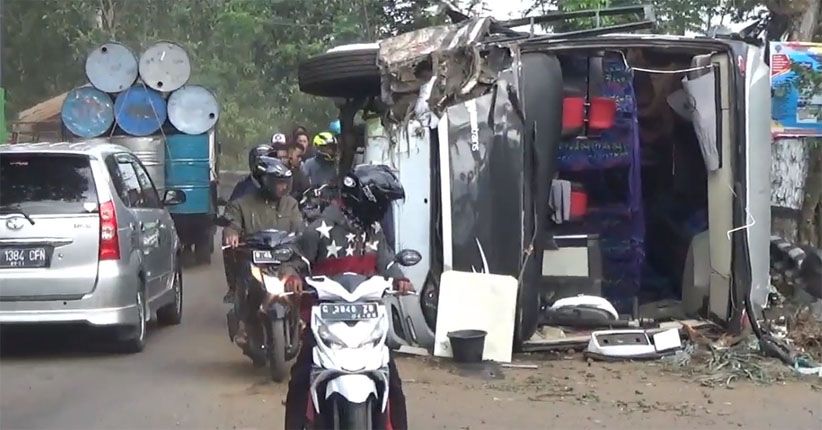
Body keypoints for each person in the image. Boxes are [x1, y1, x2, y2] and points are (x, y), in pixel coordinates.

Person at [282, 164, 412, 430]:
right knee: (300, 380)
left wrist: (399, 279)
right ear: (366, 199)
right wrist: (292, 278)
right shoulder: (320, 228)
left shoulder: (373, 229)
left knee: (393, 384)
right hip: (326, 325)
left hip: (368, 324)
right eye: (382, 202)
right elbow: (295, 261)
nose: (384, 209)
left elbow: (386, 262)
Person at [223, 156, 304, 348]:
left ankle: (303, 319)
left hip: (285, 261)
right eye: (278, 183)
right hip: (255, 262)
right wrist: (232, 234)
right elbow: (231, 224)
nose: (283, 187)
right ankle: (243, 323)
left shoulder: (291, 204)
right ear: (264, 181)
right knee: (245, 279)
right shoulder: (241, 204)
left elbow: (300, 229)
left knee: (306, 280)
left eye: (285, 183)